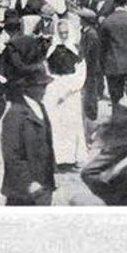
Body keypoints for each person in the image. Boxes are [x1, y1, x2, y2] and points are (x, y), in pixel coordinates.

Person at [1, 65, 56, 206]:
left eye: (45, 86)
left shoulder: (40, 107)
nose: (44, 90)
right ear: (27, 87)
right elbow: (11, 154)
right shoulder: (15, 113)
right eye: (40, 86)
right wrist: (28, 182)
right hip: (24, 188)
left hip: (43, 182)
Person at [46, 18, 89, 168]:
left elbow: (81, 73)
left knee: (72, 123)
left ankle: (71, 158)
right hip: (55, 87)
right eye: (61, 33)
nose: (63, 35)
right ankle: (58, 158)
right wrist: (52, 86)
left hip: (71, 90)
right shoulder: (51, 49)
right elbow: (46, 69)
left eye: (66, 32)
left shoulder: (76, 49)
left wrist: (70, 90)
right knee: (56, 123)